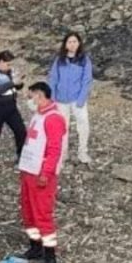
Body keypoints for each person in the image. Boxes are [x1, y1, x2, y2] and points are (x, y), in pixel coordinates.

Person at [17, 82, 67, 263]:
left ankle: (50, 256)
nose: (30, 100)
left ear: (40, 95)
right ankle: (35, 246)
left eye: (32, 96)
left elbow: (54, 150)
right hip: (29, 171)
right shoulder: (39, 115)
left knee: (42, 214)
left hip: (40, 174)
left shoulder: (53, 118)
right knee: (29, 212)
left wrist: (46, 173)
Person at [48, 32, 94, 164]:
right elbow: (53, 79)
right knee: (62, 127)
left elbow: (87, 80)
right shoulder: (59, 60)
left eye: (75, 41)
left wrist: (81, 99)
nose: (72, 44)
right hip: (61, 100)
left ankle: (82, 152)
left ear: (79, 43)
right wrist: (52, 98)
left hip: (77, 99)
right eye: (69, 42)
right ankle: (63, 153)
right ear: (65, 44)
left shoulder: (84, 59)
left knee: (83, 124)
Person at [0, 50, 27, 157]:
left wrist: (19, 83)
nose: (10, 67)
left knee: (21, 131)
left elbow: (16, 87)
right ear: (1, 62)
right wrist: (12, 83)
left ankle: (21, 155)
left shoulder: (9, 71)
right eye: (8, 64)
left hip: (11, 106)